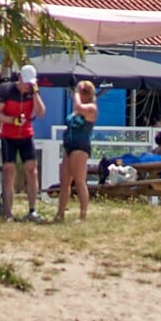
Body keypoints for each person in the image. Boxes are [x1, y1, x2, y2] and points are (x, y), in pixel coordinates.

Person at [0, 69, 42, 221]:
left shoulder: (32, 92)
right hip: (8, 136)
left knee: (31, 170)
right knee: (9, 172)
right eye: (26, 83)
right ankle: (8, 211)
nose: (27, 86)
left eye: (30, 84)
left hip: (26, 135)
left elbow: (40, 112)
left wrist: (35, 94)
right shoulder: (6, 90)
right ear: (19, 78)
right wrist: (13, 120)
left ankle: (32, 210)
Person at [56, 79, 98, 222]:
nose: (81, 94)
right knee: (64, 181)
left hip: (80, 146)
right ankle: (60, 213)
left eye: (85, 92)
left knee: (79, 181)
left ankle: (83, 214)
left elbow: (79, 106)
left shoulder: (91, 108)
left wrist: (77, 91)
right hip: (69, 144)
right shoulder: (77, 109)